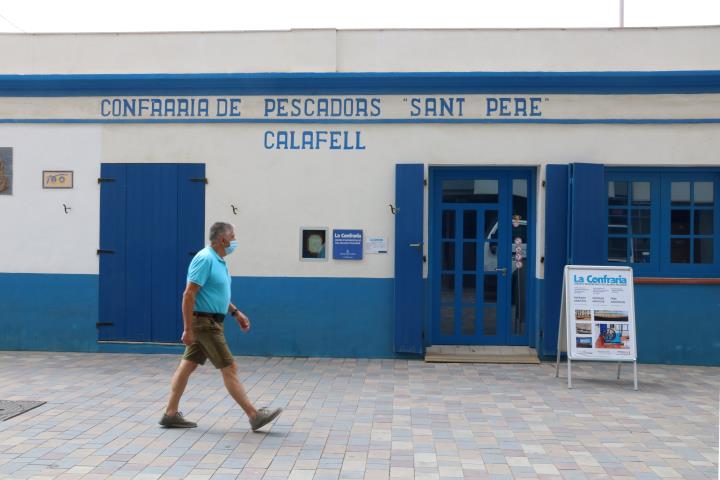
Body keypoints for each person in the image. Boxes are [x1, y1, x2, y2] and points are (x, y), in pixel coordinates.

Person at [160, 222, 282, 431]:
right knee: (229, 367)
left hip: (212, 320)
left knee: (188, 365)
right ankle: (254, 416)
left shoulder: (219, 261)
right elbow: (189, 294)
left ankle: (170, 414)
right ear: (223, 240)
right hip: (205, 324)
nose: (235, 241)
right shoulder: (205, 259)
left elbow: (216, 294)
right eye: (233, 237)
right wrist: (188, 328)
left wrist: (235, 312)